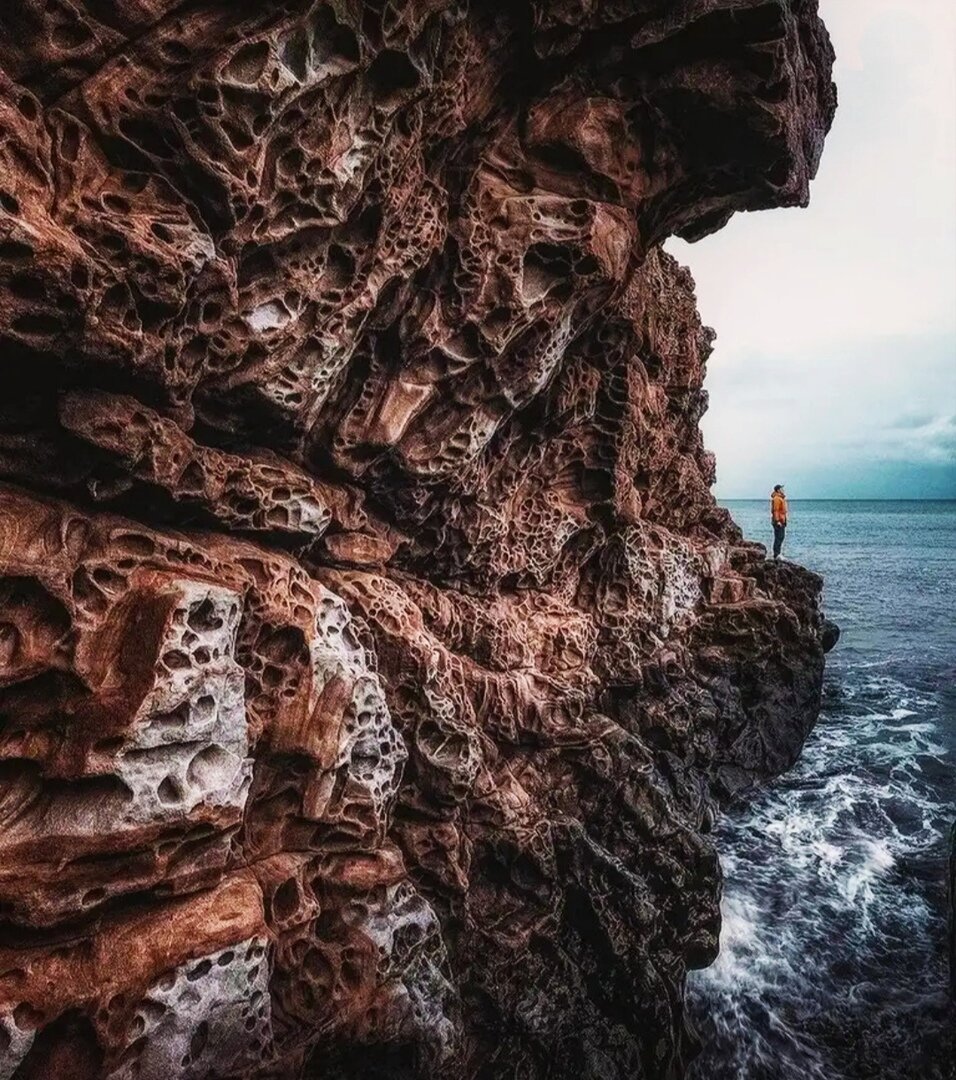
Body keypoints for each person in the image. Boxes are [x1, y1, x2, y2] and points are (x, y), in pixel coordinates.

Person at [770, 484, 788, 559]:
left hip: (782, 520)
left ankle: (778, 553)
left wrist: (784, 520)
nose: (783, 490)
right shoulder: (777, 498)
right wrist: (777, 521)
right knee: (779, 537)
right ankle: (776, 554)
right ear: (778, 490)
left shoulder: (781, 498)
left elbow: (783, 511)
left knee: (781, 537)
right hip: (778, 521)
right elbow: (776, 510)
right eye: (781, 488)